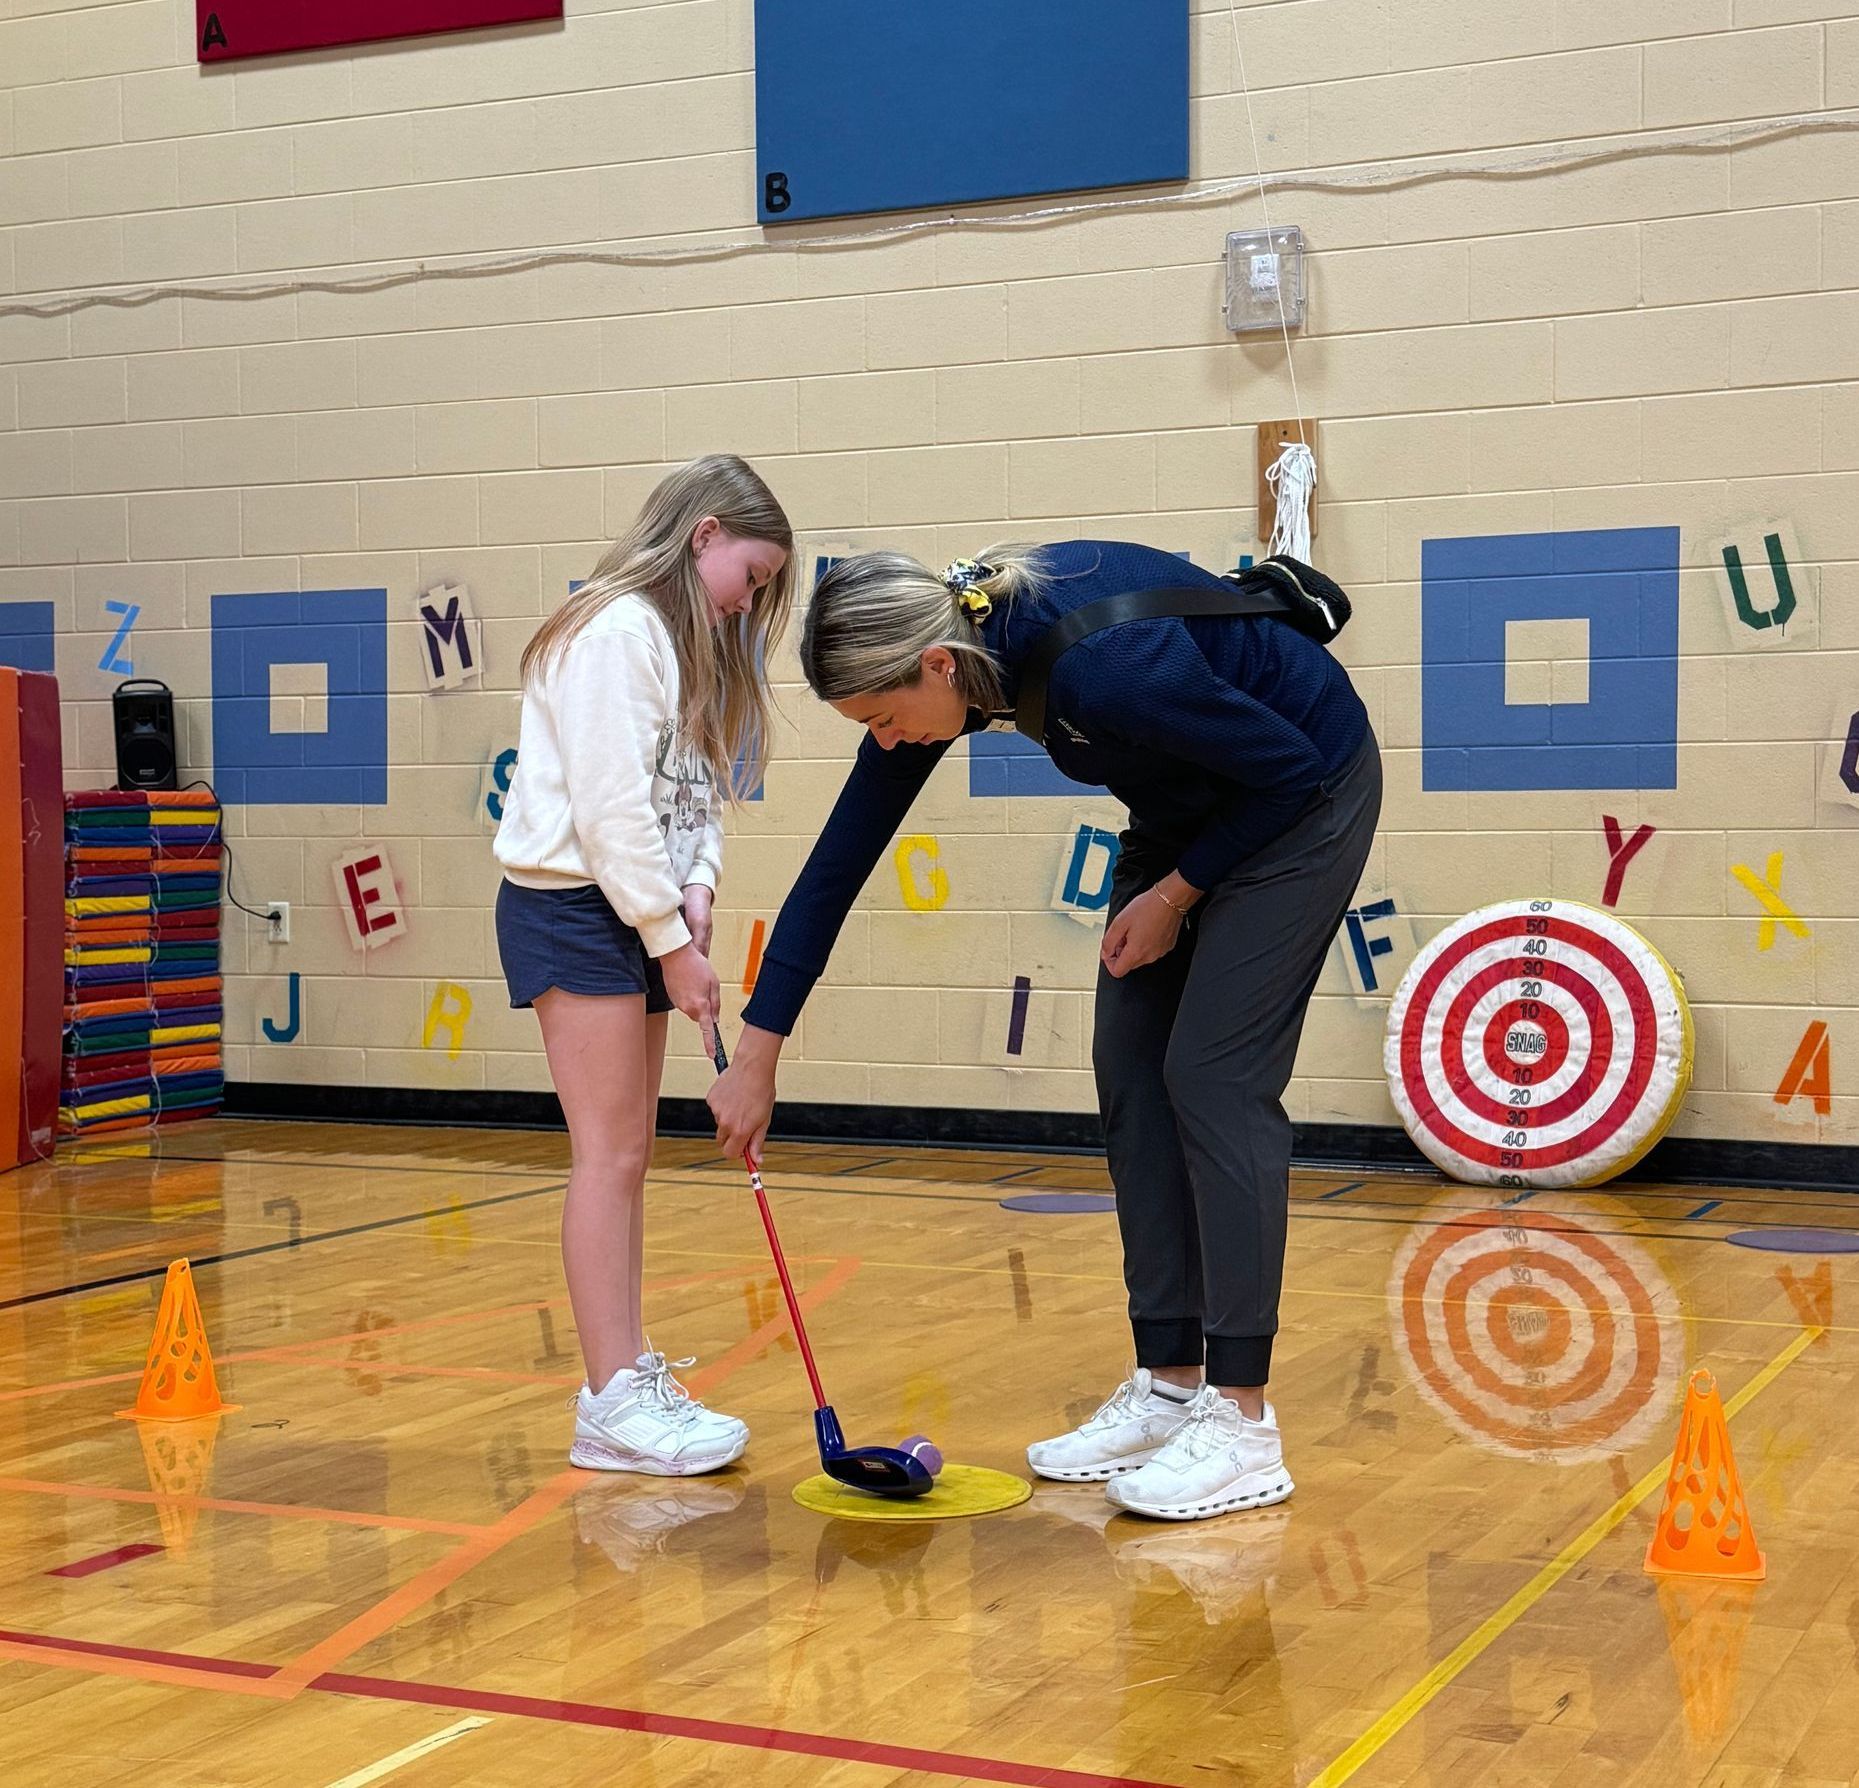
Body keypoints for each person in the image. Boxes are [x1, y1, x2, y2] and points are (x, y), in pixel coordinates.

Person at [708, 540, 1380, 1520]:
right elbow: (833, 869)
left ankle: (1240, 1424)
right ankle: (1168, 1386)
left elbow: (1285, 776)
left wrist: (1176, 895)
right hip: (1188, 803)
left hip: (1302, 789)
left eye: (885, 720)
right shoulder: (953, 660)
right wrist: (755, 1053)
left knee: (1211, 1077)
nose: (887, 742)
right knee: (1133, 1072)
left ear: (936, 665)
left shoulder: (1098, 667)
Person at [495, 454, 795, 1475]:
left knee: (627, 1157)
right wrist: (668, 940)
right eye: (750, 575)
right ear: (704, 534)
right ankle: (609, 1398)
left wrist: (696, 889)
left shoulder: (683, 643)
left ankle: (624, 1380)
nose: (749, 599)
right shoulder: (615, 631)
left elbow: (693, 792)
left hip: (638, 908)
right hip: (572, 907)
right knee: (609, 1155)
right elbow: (609, 808)